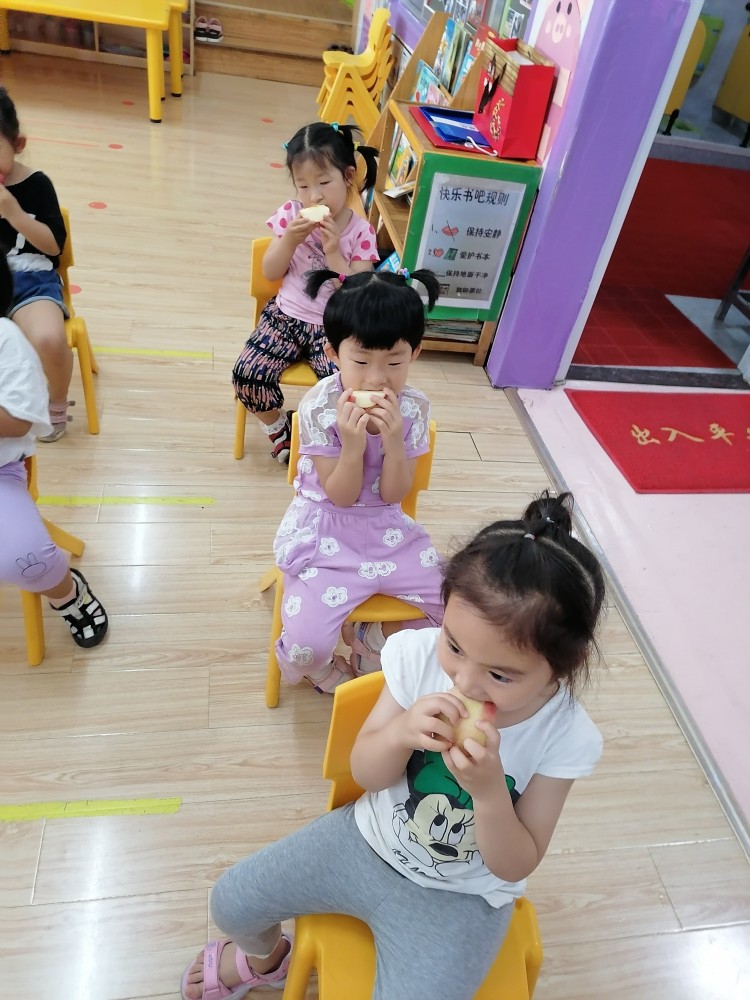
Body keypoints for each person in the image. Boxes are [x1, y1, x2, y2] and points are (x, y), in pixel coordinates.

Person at [181, 491, 606, 1000]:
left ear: (564, 666)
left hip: (461, 896)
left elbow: (515, 864)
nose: (465, 682)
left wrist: (490, 793)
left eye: (499, 675)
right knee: (230, 901)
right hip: (364, 840)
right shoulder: (418, 659)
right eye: (454, 645)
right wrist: (403, 731)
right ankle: (267, 961)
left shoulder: (564, 735)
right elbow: (366, 772)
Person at [273, 267, 445, 694]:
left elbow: (394, 494)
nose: (376, 378)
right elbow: (341, 496)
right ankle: (321, 670)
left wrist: (393, 442)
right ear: (333, 353)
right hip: (327, 529)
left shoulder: (414, 408)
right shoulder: (320, 405)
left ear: (416, 353)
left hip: (388, 528)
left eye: (394, 362)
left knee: (457, 611)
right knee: (306, 646)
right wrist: (352, 446)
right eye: (362, 361)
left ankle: (374, 640)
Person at [232, 121, 380, 464]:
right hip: (284, 316)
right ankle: (279, 428)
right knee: (246, 374)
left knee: (346, 392)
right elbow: (270, 271)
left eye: (324, 183)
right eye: (303, 186)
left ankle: (324, 440)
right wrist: (289, 240)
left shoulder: (361, 232)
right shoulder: (290, 216)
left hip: (334, 326)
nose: (314, 196)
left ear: (348, 176)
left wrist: (334, 254)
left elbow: (359, 292)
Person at [0, 253, 108, 649]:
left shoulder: (5, 339)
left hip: (3, 468)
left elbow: (18, 420)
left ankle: (67, 595)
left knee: (28, 558)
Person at [0, 85, 73, 442]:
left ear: (18, 144)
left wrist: (14, 213)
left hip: (30, 277)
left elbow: (54, 247)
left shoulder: (37, 185)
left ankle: (55, 404)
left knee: (49, 338)